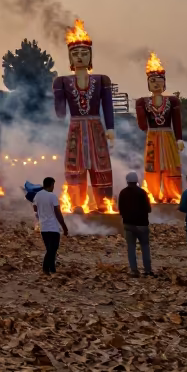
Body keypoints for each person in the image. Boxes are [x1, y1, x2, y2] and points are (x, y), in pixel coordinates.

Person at [54, 20, 116, 213]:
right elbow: (60, 113)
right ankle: (77, 204)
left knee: (101, 164)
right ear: (70, 59)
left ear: (90, 57)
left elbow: (107, 107)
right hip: (75, 128)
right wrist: (56, 91)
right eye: (75, 53)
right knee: (75, 165)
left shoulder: (101, 80)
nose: (79, 57)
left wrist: (111, 128)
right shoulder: (63, 81)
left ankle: (103, 203)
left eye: (83, 53)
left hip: (96, 127)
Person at [135, 54, 184, 204]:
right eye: (152, 80)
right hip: (152, 136)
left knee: (171, 166)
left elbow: (176, 121)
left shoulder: (172, 100)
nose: (156, 84)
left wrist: (179, 138)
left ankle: (173, 194)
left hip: (168, 136)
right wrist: (139, 108)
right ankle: (154, 194)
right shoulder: (143, 101)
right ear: (148, 84)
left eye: (159, 80)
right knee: (152, 166)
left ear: (165, 83)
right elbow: (142, 124)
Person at [117, 172, 153, 277]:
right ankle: (148, 271)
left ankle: (134, 270)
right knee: (145, 247)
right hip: (142, 225)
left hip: (128, 225)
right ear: (137, 181)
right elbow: (149, 209)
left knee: (131, 247)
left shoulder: (123, 193)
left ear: (127, 181)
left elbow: (120, 209)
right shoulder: (142, 193)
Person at [33, 177, 68, 275]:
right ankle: (45, 269)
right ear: (50, 185)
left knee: (50, 249)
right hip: (53, 227)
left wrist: (41, 212)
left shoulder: (37, 195)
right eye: (53, 185)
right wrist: (64, 227)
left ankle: (52, 269)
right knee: (52, 249)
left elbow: (35, 208)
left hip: (43, 227)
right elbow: (58, 213)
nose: (53, 187)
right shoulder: (52, 196)